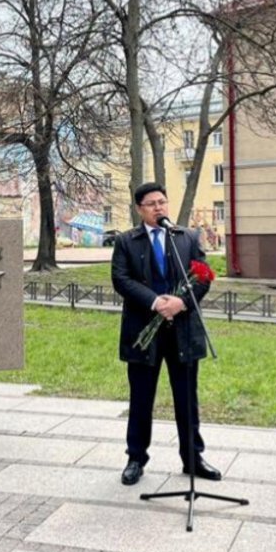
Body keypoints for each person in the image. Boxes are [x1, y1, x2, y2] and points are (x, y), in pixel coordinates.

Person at [111, 182, 221, 485]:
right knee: (142, 397)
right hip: (143, 331)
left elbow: (203, 275)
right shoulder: (126, 241)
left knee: (187, 398)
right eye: (151, 203)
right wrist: (155, 301)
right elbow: (120, 279)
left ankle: (193, 458)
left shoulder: (185, 237)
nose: (159, 207)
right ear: (139, 209)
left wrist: (182, 302)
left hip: (183, 330)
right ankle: (136, 458)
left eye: (162, 201)